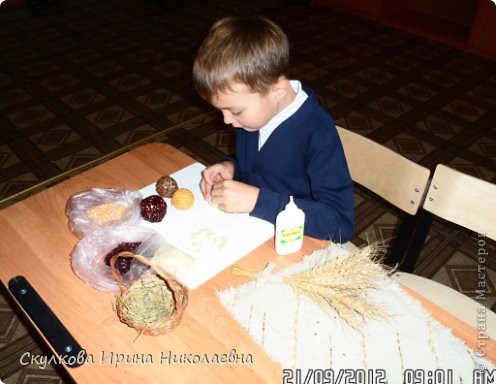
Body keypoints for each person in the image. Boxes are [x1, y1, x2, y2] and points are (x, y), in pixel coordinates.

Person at [192, 16, 355, 242]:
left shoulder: (318, 134)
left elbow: (339, 224)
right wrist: (231, 167)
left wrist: (258, 201)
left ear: (277, 90)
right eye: (222, 111)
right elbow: (260, 168)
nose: (227, 121)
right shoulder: (255, 115)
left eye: (235, 111)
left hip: (299, 240)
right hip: (255, 230)